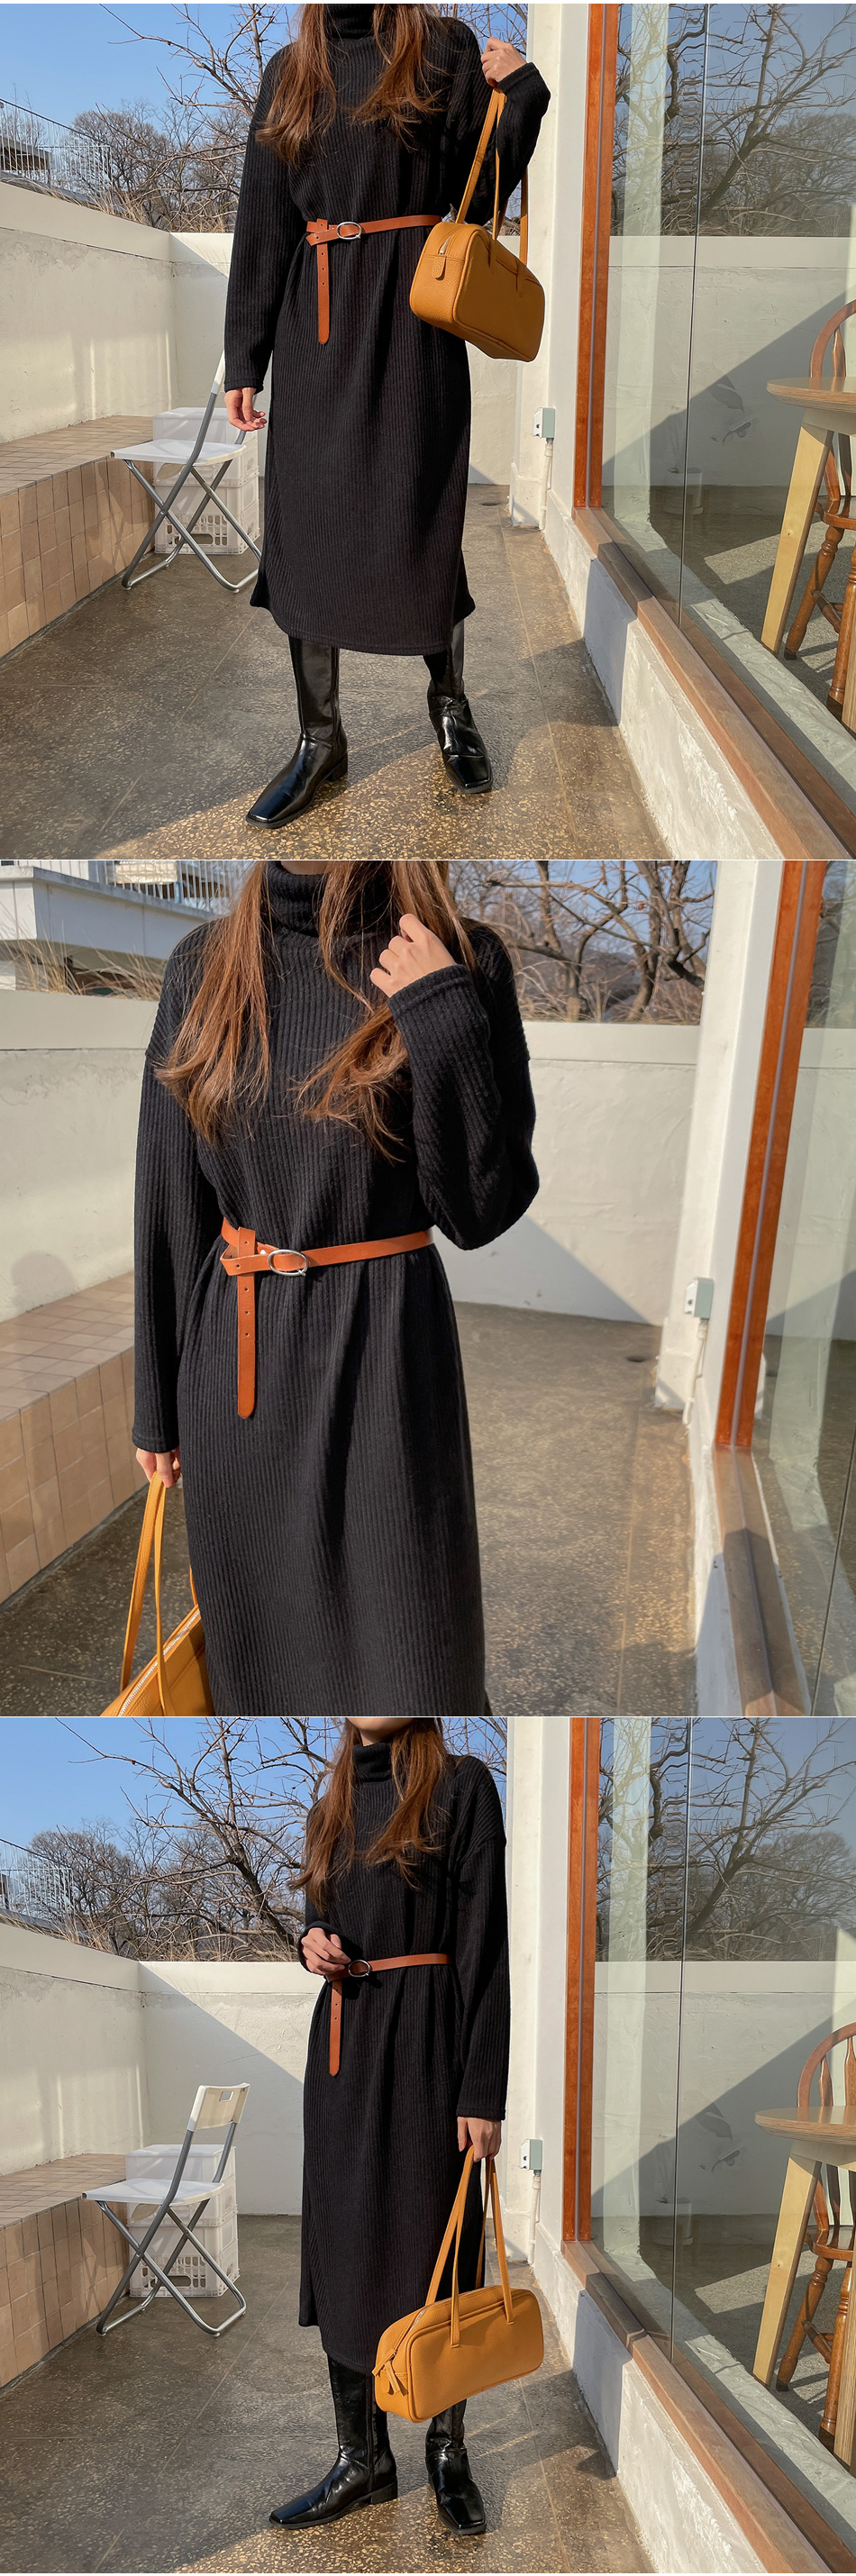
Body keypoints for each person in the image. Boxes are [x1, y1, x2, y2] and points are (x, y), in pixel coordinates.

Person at [132, 859, 538, 1716]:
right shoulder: (204, 966)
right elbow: (169, 1196)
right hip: (240, 1380)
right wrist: (156, 1406)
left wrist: (441, 1011)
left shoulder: (460, 957)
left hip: (390, 1366)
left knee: (417, 1661)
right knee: (260, 1671)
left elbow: (479, 1211)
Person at [223, 3, 550, 822]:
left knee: (419, 518)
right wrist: (245, 357)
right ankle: (318, 739)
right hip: (315, 328)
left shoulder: (439, 45)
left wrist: (522, 96)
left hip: (413, 324)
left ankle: (450, 707)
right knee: (308, 527)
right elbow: (262, 219)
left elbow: (480, 189)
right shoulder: (289, 71)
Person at [272, 1714, 510, 2537]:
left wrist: (483, 2089)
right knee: (343, 2247)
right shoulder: (328, 1807)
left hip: (431, 2051)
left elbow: (486, 1947)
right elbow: (315, 1915)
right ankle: (362, 2458)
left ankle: (448, 2450)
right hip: (344, 2054)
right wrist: (309, 1942)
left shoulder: (461, 1786)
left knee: (438, 2245)